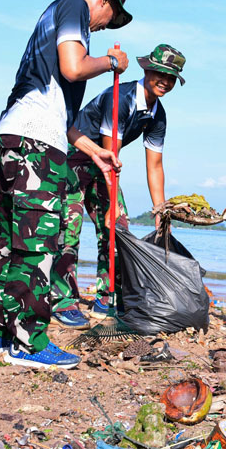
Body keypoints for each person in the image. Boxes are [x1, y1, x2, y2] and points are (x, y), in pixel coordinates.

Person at [0, 0, 132, 370]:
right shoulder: (75, 8)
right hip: (35, 146)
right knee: (40, 244)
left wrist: (94, 151)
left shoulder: (52, 20)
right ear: (103, 1)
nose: (101, 27)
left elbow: (61, 116)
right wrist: (112, 62)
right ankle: (28, 342)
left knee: (14, 243)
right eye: (108, 18)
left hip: (15, 137)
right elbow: (74, 68)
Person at [49, 44, 186, 329]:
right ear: (147, 69)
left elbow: (155, 165)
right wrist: (110, 192)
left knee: (117, 230)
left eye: (172, 77)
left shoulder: (158, 114)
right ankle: (62, 300)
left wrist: (160, 212)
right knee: (69, 227)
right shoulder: (121, 97)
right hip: (77, 157)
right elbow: (112, 154)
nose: (165, 81)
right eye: (160, 73)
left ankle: (106, 296)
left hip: (108, 163)